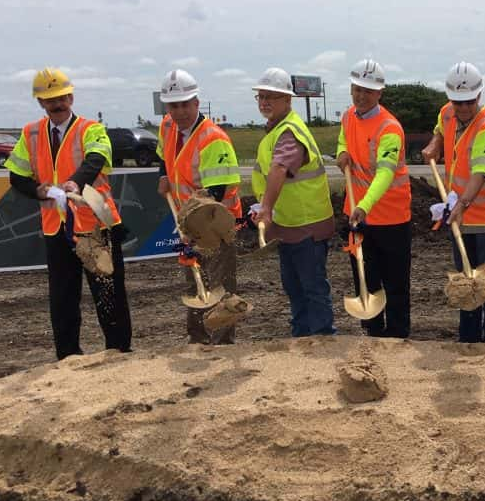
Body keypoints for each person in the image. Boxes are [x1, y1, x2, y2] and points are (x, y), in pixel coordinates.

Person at [5, 67, 132, 360]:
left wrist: (76, 181)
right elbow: (17, 176)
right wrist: (40, 191)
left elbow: (95, 159)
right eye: (50, 99)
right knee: (62, 296)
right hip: (56, 227)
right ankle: (67, 355)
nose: (57, 104)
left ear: (71, 97)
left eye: (61, 97)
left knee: (108, 292)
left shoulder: (91, 129)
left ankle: (119, 351)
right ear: (41, 102)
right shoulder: (31, 133)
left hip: (95, 225)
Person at [421, 62, 485, 343]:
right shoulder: (448, 113)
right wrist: (435, 143)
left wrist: (462, 205)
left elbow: (481, 173)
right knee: (464, 279)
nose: (462, 108)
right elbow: (440, 126)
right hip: (460, 211)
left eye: (468, 102)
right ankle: (469, 336)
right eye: (457, 102)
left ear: (479, 97)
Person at [155, 69, 242, 344]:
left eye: (184, 104)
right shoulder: (167, 126)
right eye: (173, 105)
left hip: (216, 223)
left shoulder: (213, 138)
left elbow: (215, 193)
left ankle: (223, 340)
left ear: (196, 102)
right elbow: (163, 156)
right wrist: (163, 175)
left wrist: (194, 227)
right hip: (188, 221)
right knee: (193, 278)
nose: (179, 111)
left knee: (219, 283)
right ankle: (198, 336)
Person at [250, 67, 336, 337]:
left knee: (311, 287)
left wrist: (265, 207)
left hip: (306, 225)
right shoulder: (275, 130)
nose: (264, 102)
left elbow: (278, 169)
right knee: (295, 286)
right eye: (261, 96)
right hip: (288, 225)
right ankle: (302, 336)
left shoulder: (289, 132)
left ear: (288, 100)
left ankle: (322, 336)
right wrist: (263, 205)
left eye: (271, 97)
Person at [335, 58, 412, 338]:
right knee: (365, 278)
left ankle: (398, 333)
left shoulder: (389, 128)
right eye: (357, 88)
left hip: (390, 218)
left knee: (395, 282)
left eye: (368, 91)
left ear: (379, 93)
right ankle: (373, 332)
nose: (360, 95)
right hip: (356, 213)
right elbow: (344, 139)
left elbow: (385, 173)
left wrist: (365, 206)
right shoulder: (347, 116)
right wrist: (342, 152)